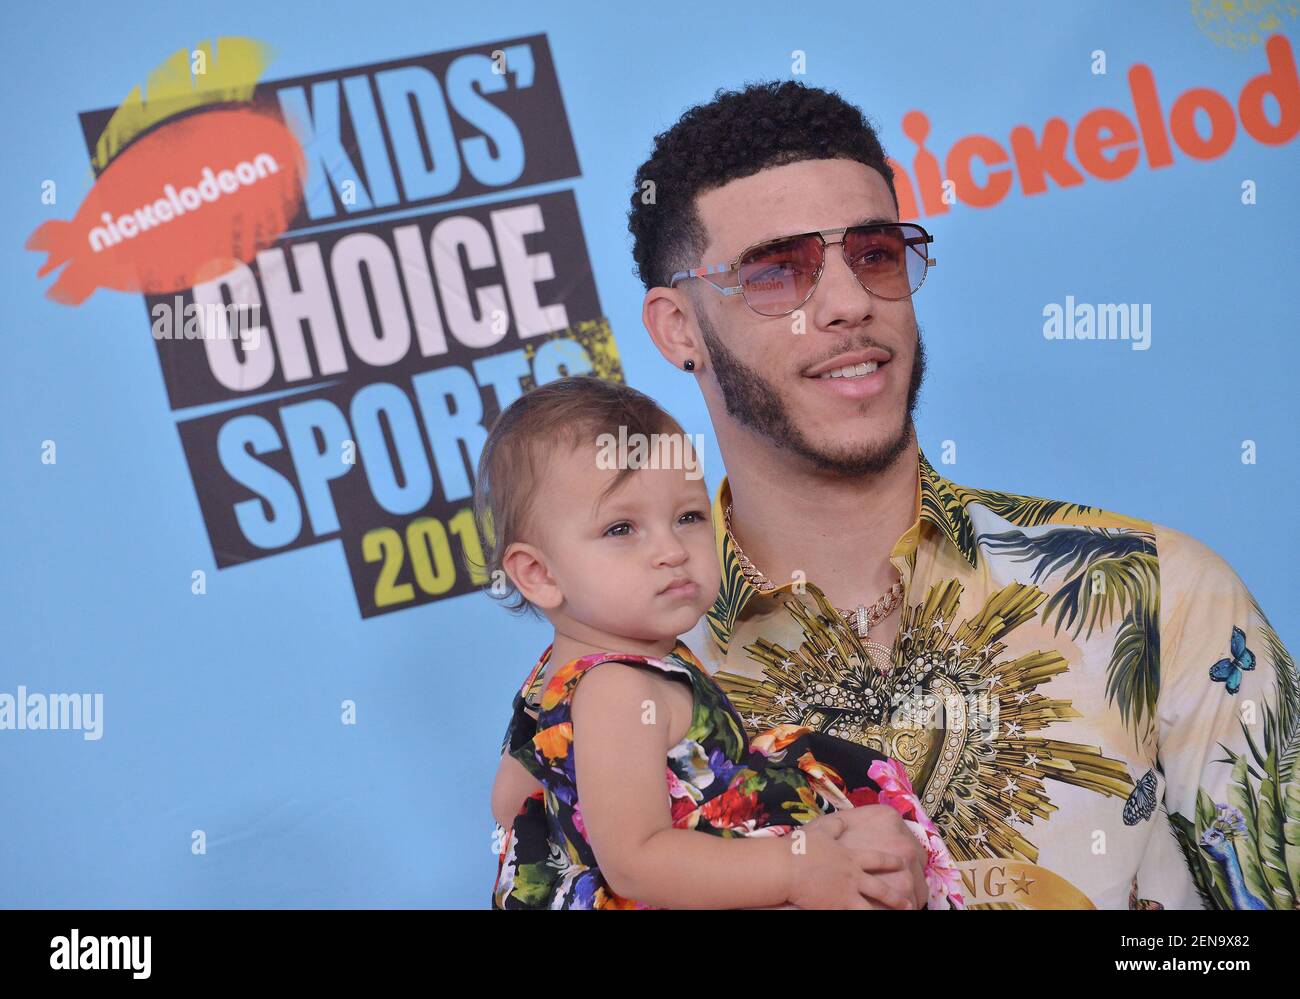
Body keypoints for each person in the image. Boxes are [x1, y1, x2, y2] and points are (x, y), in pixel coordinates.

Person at [615, 80, 1297, 910]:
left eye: (874, 254)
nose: (848, 302)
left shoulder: (1156, 593)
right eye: (776, 273)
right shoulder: (625, 686)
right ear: (678, 328)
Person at [476, 375, 964, 909]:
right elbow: (636, 864)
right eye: (621, 529)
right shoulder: (617, 689)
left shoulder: (554, 680)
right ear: (539, 574)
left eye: (687, 517)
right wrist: (793, 868)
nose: (671, 550)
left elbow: (513, 804)